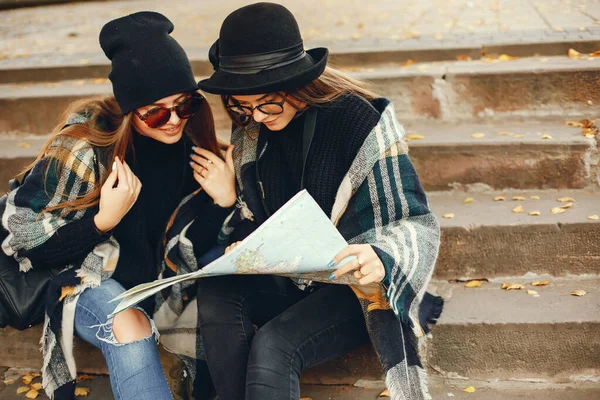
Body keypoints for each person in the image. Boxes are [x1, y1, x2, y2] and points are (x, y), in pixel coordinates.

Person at [191, 3, 443, 400]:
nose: (254, 117)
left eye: (266, 104)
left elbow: (413, 221)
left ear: (295, 84)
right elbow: (264, 221)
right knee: (217, 292)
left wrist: (379, 254)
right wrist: (246, 235)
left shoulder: (358, 121)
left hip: (356, 285)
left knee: (273, 346)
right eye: (241, 106)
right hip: (295, 277)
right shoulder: (250, 133)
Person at [1, 12, 234, 400]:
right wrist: (101, 222)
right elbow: (24, 241)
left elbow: (193, 243)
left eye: (185, 104)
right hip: (84, 277)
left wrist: (223, 201)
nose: (174, 120)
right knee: (128, 323)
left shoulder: (195, 149)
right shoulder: (84, 148)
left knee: (225, 306)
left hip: (157, 282)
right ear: (129, 111)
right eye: (157, 112)